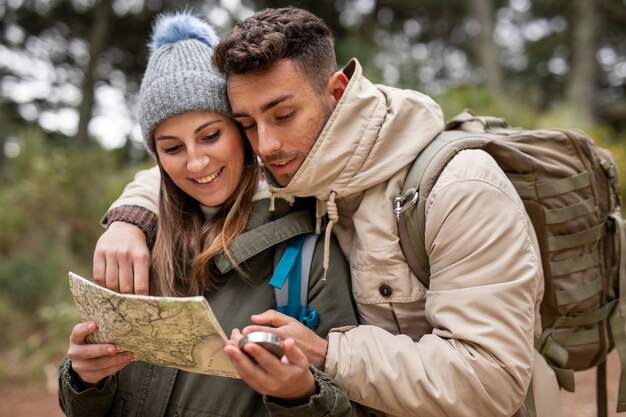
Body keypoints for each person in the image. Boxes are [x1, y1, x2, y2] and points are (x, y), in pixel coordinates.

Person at [94, 7, 564, 417]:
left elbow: (493, 379)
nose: (266, 144)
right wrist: (131, 215)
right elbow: (195, 169)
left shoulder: (461, 187)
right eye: (247, 125)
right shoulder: (293, 163)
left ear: (336, 93)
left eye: (282, 115)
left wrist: (328, 353)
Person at [58, 12, 362, 417]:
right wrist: (83, 378)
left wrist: (300, 393)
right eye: (172, 147)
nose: (197, 163)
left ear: (241, 130)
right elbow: (86, 406)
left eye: (210, 136)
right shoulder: (136, 242)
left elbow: (351, 405)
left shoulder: (310, 248)